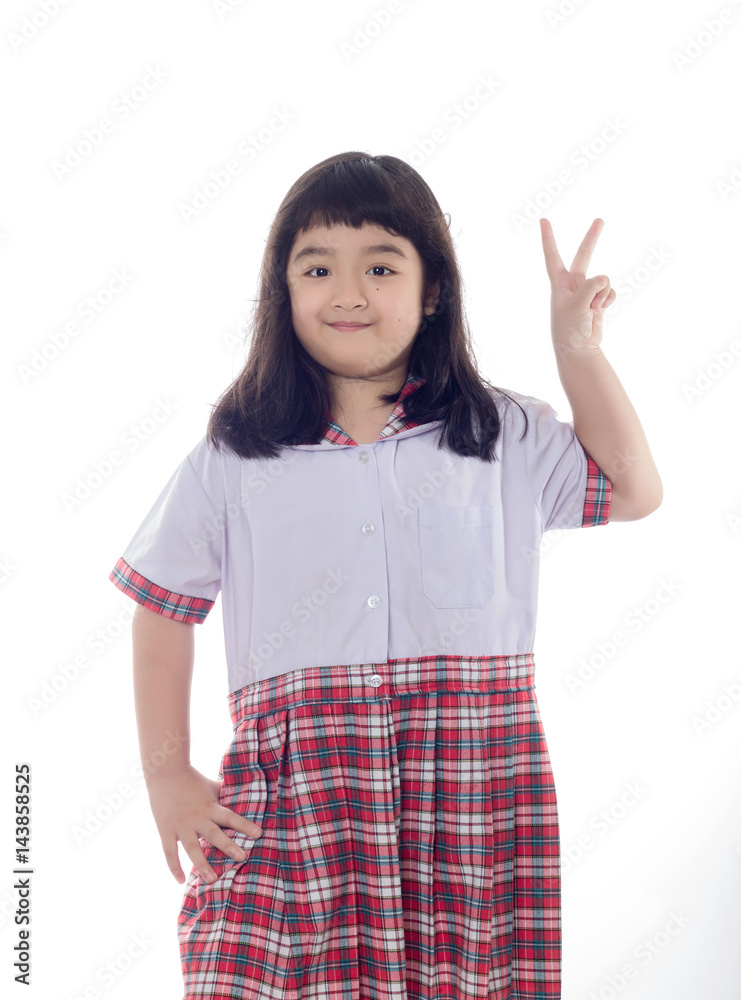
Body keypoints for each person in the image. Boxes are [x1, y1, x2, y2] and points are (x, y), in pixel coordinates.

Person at [108, 151, 662, 999]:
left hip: (471, 795)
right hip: (297, 792)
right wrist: (167, 775)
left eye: (381, 264)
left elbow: (632, 489)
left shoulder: (502, 434)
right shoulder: (235, 454)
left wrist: (574, 347)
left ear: (431, 289)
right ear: (282, 291)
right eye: (318, 266)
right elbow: (162, 606)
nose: (349, 292)